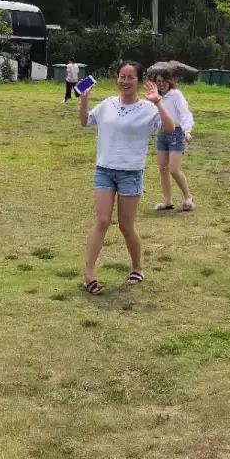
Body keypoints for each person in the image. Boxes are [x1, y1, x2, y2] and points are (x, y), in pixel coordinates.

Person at [79, 62, 175, 294]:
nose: (125, 81)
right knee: (102, 220)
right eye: (122, 76)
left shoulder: (148, 108)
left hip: (130, 173)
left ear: (139, 81)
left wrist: (158, 102)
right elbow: (85, 121)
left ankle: (137, 268)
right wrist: (83, 100)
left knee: (126, 225)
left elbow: (169, 127)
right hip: (104, 170)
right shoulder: (107, 104)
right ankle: (88, 274)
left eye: (131, 77)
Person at [152, 68, 196, 212]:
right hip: (162, 135)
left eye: (164, 81)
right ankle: (167, 201)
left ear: (169, 81)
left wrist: (187, 131)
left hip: (176, 134)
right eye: (158, 81)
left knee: (173, 168)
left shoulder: (175, 94)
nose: (161, 84)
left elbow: (185, 113)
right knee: (163, 169)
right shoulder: (155, 97)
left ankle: (188, 198)